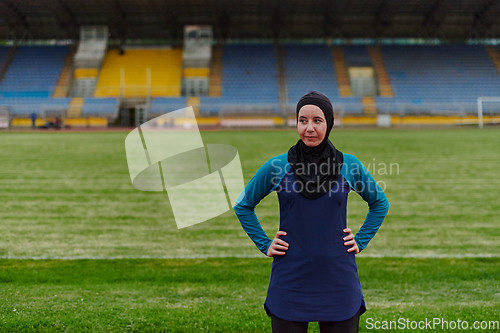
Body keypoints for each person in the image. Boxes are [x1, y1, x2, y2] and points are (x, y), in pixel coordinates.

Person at [234, 90, 389, 333]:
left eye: (317, 120)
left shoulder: (349, 164)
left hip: (338, 280)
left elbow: (380, 203)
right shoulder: (277, 166)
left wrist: (361, 239)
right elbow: (243, 205)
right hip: (290, 281)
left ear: (329, 123)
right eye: (302, 120)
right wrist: (265, 244)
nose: (309, 128)